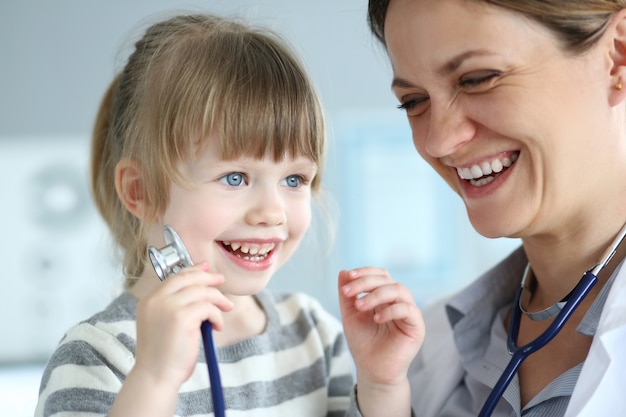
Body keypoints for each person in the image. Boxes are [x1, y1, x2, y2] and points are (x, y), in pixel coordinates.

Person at [34, 13, 357, 417]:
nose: (272, 212)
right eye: (235, 177)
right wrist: (155, 376)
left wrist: (383, 386)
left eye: (294, 179)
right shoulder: (97, 356)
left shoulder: (312, 333)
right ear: (141, 191)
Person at [338, 0, 626, 416]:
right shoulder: (427, 348)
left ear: (617, 54)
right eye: (414, 102)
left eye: (477, 79)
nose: (438, 141)